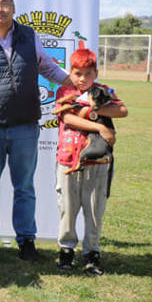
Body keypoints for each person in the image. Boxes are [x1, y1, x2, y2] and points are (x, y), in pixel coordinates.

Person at [0, 0, 70, 260]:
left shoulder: (29, 37)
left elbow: (48, 67)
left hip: (24, 127)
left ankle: (26, 241)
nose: (0, 9)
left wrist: (75, 82)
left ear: (13, 7)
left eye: (5, 3)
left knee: (24, 187)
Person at [54, 48, 127, 275]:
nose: (82, 78)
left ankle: (91, 253)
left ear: (95, 72)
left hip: (98, 162)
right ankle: (66, 251)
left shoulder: (104, 91)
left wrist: (95, 106)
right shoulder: (65, 92)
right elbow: (67, 117)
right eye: (77, 73)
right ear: (71, 73)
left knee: (94, 210)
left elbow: (122, 110)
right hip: (68, 159)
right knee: (68, 208)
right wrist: (100, 126)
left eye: (88, 73)